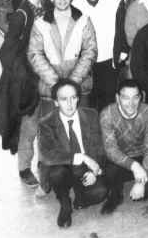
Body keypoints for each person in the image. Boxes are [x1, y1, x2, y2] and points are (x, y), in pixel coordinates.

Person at [0, 0, 47, 187]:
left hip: (49, 74)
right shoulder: (21, 15)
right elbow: (6, 52)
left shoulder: (48, 6)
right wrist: (24, 75)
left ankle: (45, 163)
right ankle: (24, 168)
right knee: (29, 126)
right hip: (31, 80)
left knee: (48, 123)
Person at [37, 78, 109, 228]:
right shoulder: (46, 123)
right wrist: (81, 157)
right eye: (63, 99)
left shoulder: (91, 115)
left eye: (73, 98)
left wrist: (93, 171)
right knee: (57, 174)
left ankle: (80, 198)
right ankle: (65, 206)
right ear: (56, 102)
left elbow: (100, 147)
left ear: (78, 98)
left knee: (102, 191)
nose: (69, 104)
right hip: (63, 166)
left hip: (84, 168)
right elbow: (48, 156)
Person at [99, 78, 148, 214]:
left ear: (141, 97)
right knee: (110, 173)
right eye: (126, 98)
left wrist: (141, 182)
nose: (131, 103)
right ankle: (115, 195)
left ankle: (139, 181)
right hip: (121, 157)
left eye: (135, 97)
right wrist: (135, 167)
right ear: (118, 98)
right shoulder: (107, 114)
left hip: (142, 155)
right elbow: (111, 150)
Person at [73, 0, 127, 112]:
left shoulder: (114, 2)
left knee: (108, 104)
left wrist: (121, 55)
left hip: (109, 62)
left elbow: (123, 30)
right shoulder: (75, 5)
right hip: (85, 63)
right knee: (88, 105)